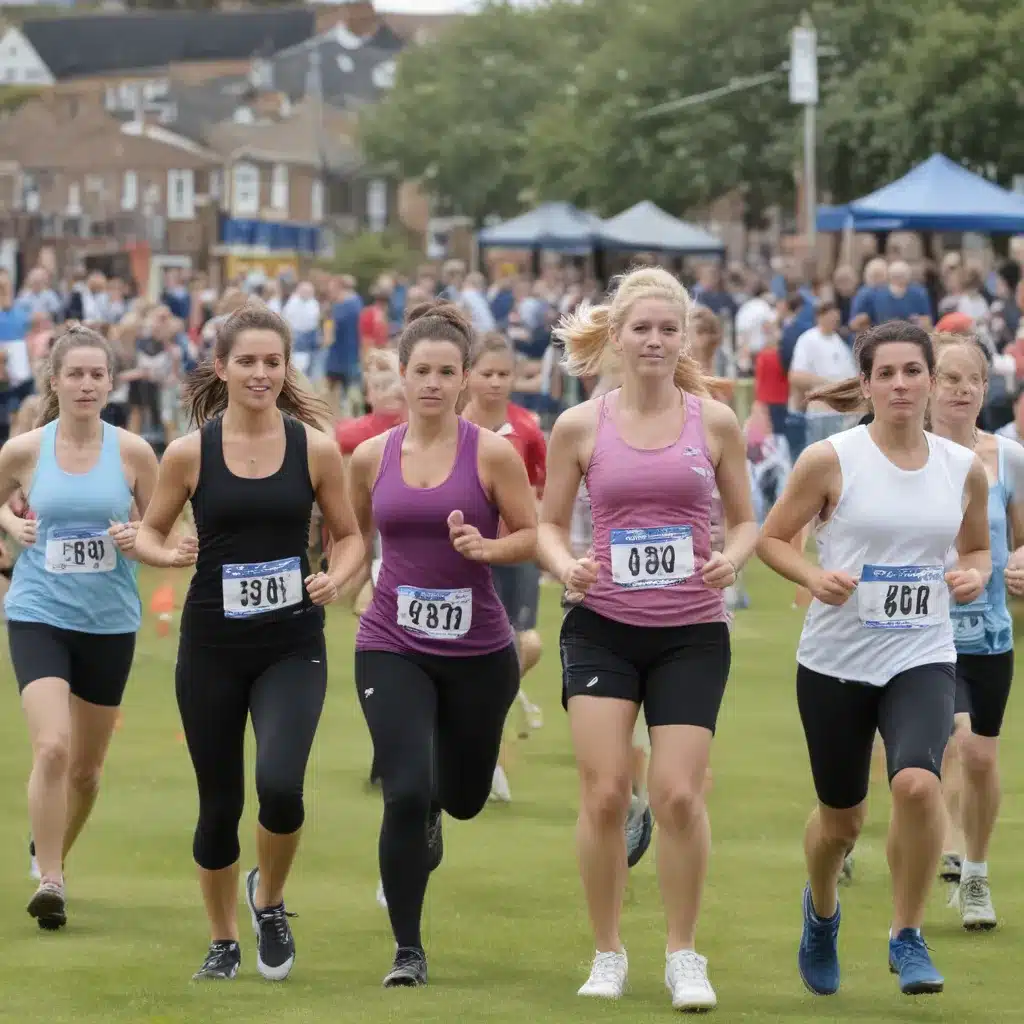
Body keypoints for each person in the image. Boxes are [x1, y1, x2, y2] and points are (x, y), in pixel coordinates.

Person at [537, 267, 758, 1010]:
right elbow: (545, 523)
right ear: (618, 338)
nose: (657, 341)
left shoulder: (713, 421)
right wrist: (568, 564)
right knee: (603, 794)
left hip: (691, 629)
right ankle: (607, 952)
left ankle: (683, 953)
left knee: (677, 797)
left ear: (686, 336)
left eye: (670, 329)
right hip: (602, 626)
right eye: (643, 328)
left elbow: (747, 517)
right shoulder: (580, 426)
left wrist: (733, 555)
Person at [756, 320, 991, 997]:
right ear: (865, 384)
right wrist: (811, 576)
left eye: (911, 372)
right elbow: (774, 540)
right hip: (835, 660)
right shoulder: (832, 459)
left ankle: (906, 934)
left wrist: (972, 575)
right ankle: (822, 911)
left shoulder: (961, 468)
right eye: (884, 373)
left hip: (922, 653)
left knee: (917, 783)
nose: (899, 384)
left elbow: (974, 550)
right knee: (842, 822)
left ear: (930, 380)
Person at [133, 304, 364, 982]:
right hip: (211, 648)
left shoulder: (315, 448)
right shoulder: (188, 452)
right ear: (222, 368)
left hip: (292, 641)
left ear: (286, 367)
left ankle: (270, 900)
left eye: (273, 361)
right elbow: (148, 531)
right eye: (248, 361)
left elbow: (349, 537)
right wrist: (168, 552)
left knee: (282, 786)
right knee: (219, 804)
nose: (261, 373)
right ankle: (223, 939)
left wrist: (337, 578)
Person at [347, 300, 537, 987]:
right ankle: (407, 949)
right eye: (420, 370)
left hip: (480, 654)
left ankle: (436, 811)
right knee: (403, 790)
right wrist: (338, 577)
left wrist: (487, 547)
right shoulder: (371, 456)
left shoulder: (491, 453)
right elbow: (350, 534)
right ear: (401, 375)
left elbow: (531, 534)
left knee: (459, 798)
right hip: (391, 640)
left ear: (463, 381)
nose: (431, 382)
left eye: (445, 371)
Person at [0, 323, 159, 930]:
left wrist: (137, 539)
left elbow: (163, 533)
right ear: (55, 381)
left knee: (87, 773)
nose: (87, 384)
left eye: (97, 374)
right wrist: (12, 527)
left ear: (112, 383)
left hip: (109, 622)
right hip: (39, 611)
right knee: (52, 746)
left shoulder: (134, 453)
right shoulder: (24, 451)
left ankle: (49, 848)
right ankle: (52, 879)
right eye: (76, 374)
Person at [928, 333, 1024, 929]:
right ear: (927, 385)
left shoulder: (1009, 457)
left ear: (986, 389)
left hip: (988, 634)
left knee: (983, 759)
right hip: (921, 634)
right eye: (950, 378)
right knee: (955, 744)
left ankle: (978, 874)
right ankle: (937, 855)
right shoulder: (905, 455)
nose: (962, 390)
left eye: (973, 380)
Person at [461, 331, 547, 801]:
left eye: (504, 375)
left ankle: (485, 732)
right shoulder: (451, 424)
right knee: (465, 654)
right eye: (486, 373)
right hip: (462, 559)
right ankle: (478, 752)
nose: (495, 383)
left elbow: (540, 492)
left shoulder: (527, 430)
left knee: (524, 645)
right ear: (469, 375)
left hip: (513, 556)